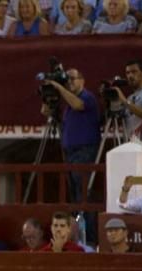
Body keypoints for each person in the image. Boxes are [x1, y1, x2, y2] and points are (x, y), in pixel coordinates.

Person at [40, 67, 99, 203]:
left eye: (72, 78)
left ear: (82, 81)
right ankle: (78, 220)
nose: (69, 82)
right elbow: (45, 112)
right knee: (73, 191)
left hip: (84, 150)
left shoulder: (87, 96)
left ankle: (85, 222)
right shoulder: (67, 105)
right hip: (70, 152)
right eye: (67, 79)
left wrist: (60, 88)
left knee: (82, 189)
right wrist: (47, 94)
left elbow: (78, 105)